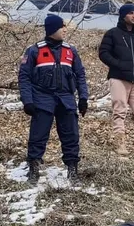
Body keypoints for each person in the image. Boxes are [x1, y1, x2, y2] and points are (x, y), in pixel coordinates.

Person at [19, 14, 89, 184]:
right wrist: (27, 101)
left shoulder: (71, 50)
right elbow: (24, 77)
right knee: (38, 135)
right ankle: (34, 169)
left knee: (71, 136)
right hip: (42, 98)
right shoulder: (34, 50)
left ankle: (73, 169)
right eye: (61, 26)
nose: (65, 29)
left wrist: (83, 98)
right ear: (52, 29)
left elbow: (80, 75)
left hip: (66, 99)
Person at [99, 3, 134, 156]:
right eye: (131, 13)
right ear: (123, 15)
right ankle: (120, 144)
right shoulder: (112, 33)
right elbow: (103, 53)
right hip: (119, 78)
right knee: (120, 111)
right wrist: (119, 65)